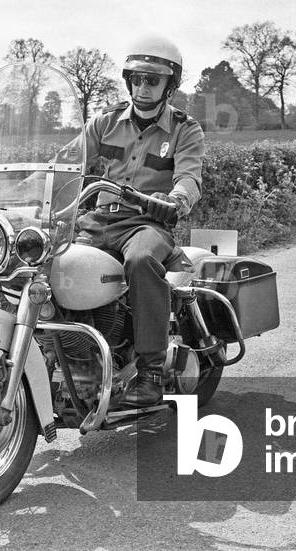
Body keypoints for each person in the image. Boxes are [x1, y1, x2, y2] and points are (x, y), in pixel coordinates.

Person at [76, 35, 204, 408]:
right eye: (136, 78)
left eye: (152, 80)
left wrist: (176, 201)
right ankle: (73, 355)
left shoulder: (184, 129)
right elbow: (67, 163)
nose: (142, 87)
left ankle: (150, 370)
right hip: (98, 222)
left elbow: (189, 177)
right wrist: (29, 192)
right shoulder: (105, 123)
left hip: (148, 224)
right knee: (51, 262)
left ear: (170, 85)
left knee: (140, 260)